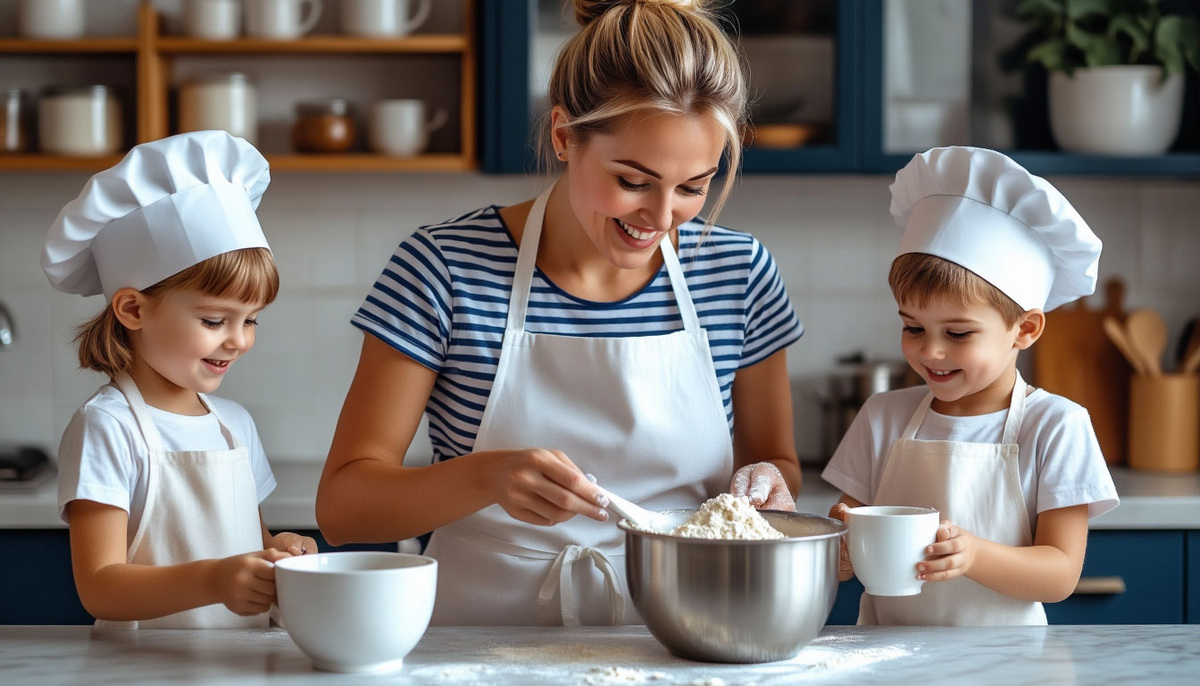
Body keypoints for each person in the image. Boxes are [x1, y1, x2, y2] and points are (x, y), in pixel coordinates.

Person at [317, 0, 804, 626]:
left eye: (692, 187)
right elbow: (343, 505)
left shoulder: (738, 272)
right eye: (633, 180)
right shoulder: (443, 268)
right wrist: (486, 478)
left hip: (684, 632)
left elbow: (774, 464)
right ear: (564, 135)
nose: (659, 219)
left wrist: (766, 483)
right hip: (478, 646)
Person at [822, 146, 1119, 626]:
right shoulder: (883, 416)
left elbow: (1061, 574)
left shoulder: (1056, 427)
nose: (930, 351)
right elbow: (844, 541)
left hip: (1008, 666)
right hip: (884, 660)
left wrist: (974, 556)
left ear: (1024, 330)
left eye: (957, 334)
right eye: (913, 327)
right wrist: (839, 551)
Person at [42, 131, 317, 629]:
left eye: (250, 320)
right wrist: (214, 581)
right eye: (215, 321)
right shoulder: (107, 427)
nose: (238, 340)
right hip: (146, 673)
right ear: (133, 309)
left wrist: (278, 552)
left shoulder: (234, 425)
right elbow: (101, 586)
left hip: (242, 668)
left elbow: (247, 545)